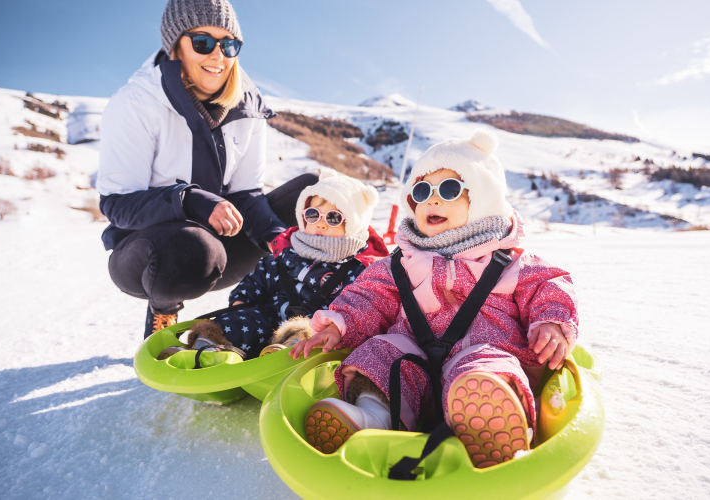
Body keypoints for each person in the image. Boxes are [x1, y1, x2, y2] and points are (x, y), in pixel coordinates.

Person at [290, 129, 579, 467]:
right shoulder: (400, 263)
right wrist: (340, 323)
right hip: (414, 366)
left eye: (450, 189)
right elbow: (367, 297)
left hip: (481, 355)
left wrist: (553, 323)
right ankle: (373, 418)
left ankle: (487, 422)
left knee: (485, 368)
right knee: (381, 354)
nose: (432, 200)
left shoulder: (509, 260)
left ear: (483, 195)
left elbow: (549, 285)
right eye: (422, 191)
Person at [96, 0, 318, 337]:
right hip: (149, 254)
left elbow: (246, 193)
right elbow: (117, 203)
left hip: (222, 245)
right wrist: (190, 200)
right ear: (176, 46)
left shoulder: (248, 107)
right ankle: (164, 309)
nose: (218, 56)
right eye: (203, 42)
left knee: (311, 196)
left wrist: (278, 239)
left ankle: (288, 308)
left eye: (229, 44)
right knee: (195, 246)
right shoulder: (136, 103)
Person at [174, 170, 388, 359]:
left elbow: (361, 307)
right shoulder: (286, 254)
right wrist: (240, 304)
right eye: (313, 214)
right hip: (269, 321)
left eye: (333, 217)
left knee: (305, 333)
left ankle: (285, 355)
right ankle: (207, 349)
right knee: (234, 322)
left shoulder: (360, 269)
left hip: (315, 331)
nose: (321, 223)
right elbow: (255, 282)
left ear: (353, 223)